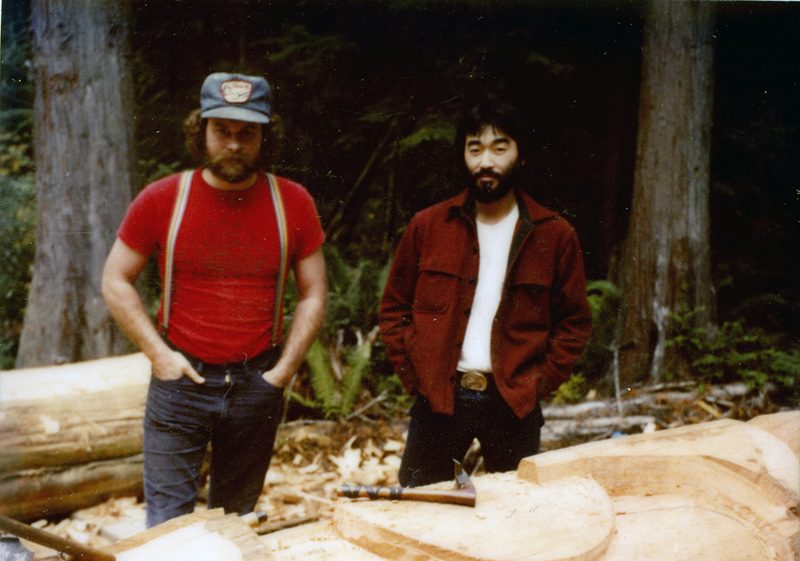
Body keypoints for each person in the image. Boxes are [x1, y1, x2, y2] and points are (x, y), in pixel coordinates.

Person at [102, 72, 327, 526]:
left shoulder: (293, 202)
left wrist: (281, 373)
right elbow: (115, 279)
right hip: (181, 379)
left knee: (233, 525)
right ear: (200, 130)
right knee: (166, 527)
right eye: (222, 130)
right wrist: (159, 355)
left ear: (265, 136)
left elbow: (314, 292)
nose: (234, 144)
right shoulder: (164, 198)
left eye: (247, 133)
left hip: (257, 381)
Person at [379, 97, 591, 487]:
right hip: (439, 401)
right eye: (474, 148)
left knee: (513, 519)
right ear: (462, 156)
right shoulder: (428, 226)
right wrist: (417, 378)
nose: (486, 161)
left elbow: (574, 322)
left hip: (512, 404)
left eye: (499, 147)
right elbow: (394, 309)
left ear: (520, 155)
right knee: (420, 508)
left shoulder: (553, 234)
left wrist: (537, 383)